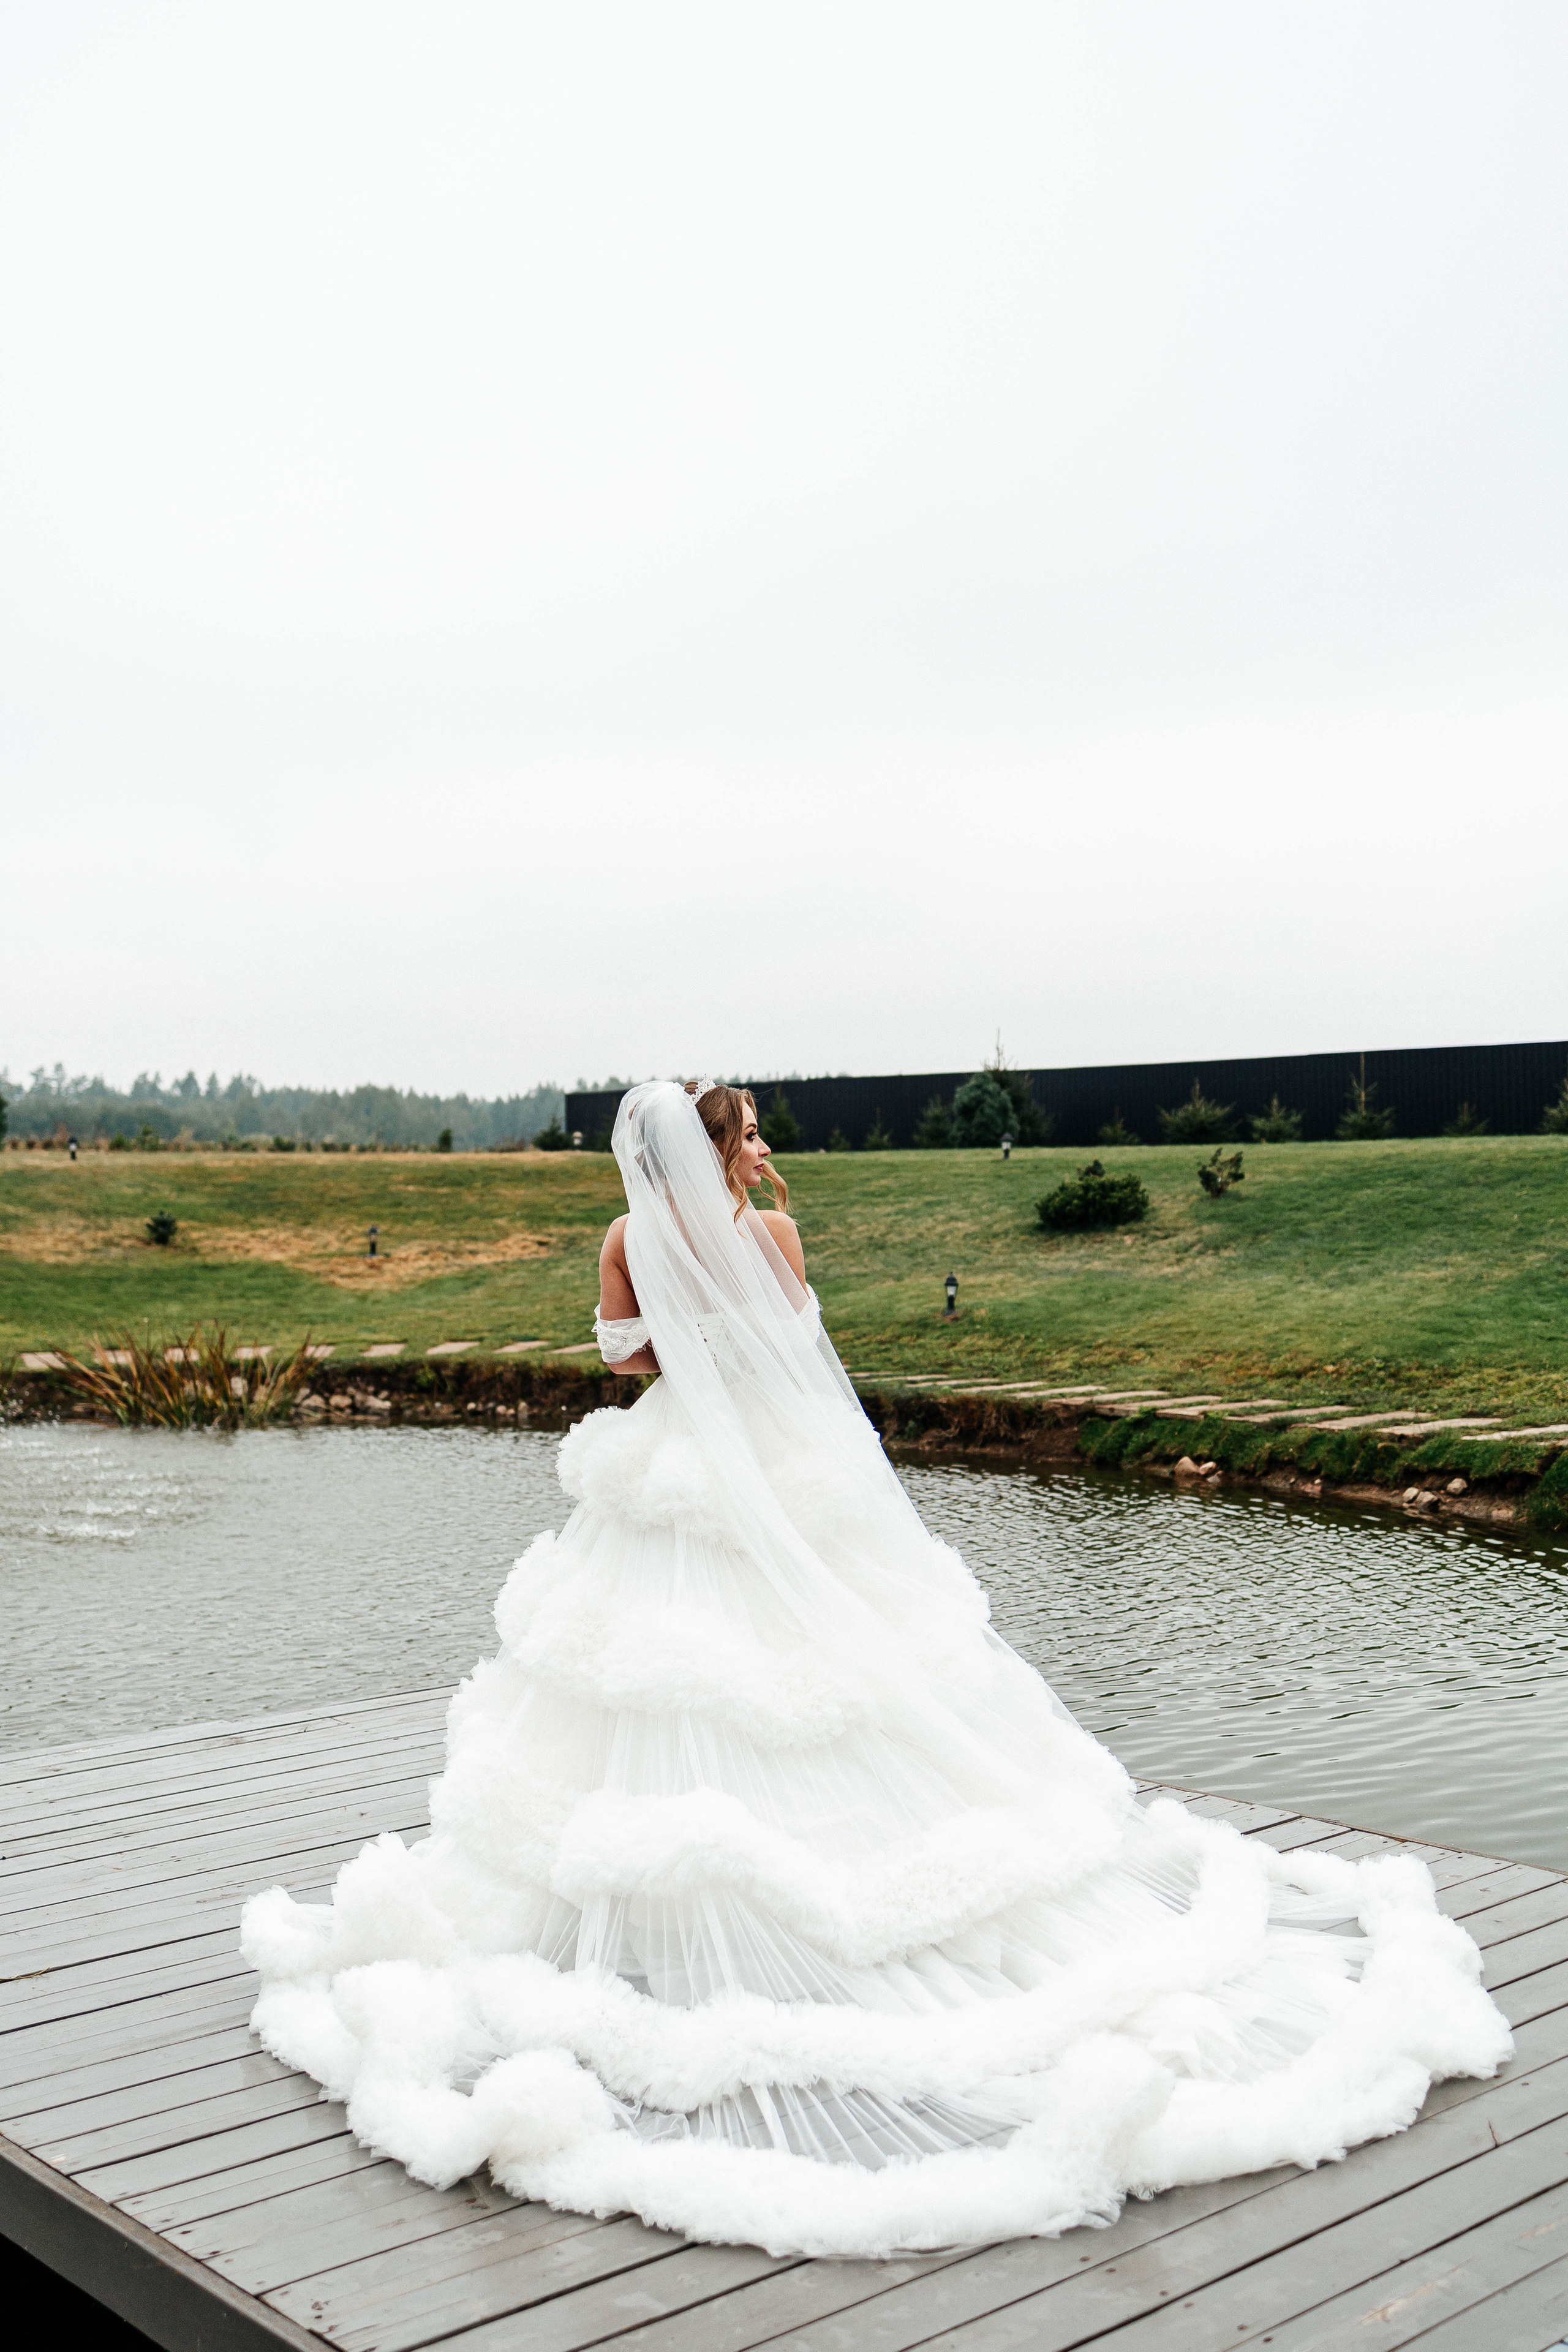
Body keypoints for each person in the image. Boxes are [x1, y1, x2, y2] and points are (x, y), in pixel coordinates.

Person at [243, 1077, 1509, 2260]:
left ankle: (666, 1927)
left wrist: (685, 1331)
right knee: (824, 1680)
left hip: (675, 1457)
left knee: (662, 1680)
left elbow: (625, 1364)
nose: (763, 1154)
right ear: (722, 1148)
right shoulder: (774, 1238)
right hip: (778, 1464)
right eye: (750, 1140)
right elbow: (798, 1363)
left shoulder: (623, 1238)